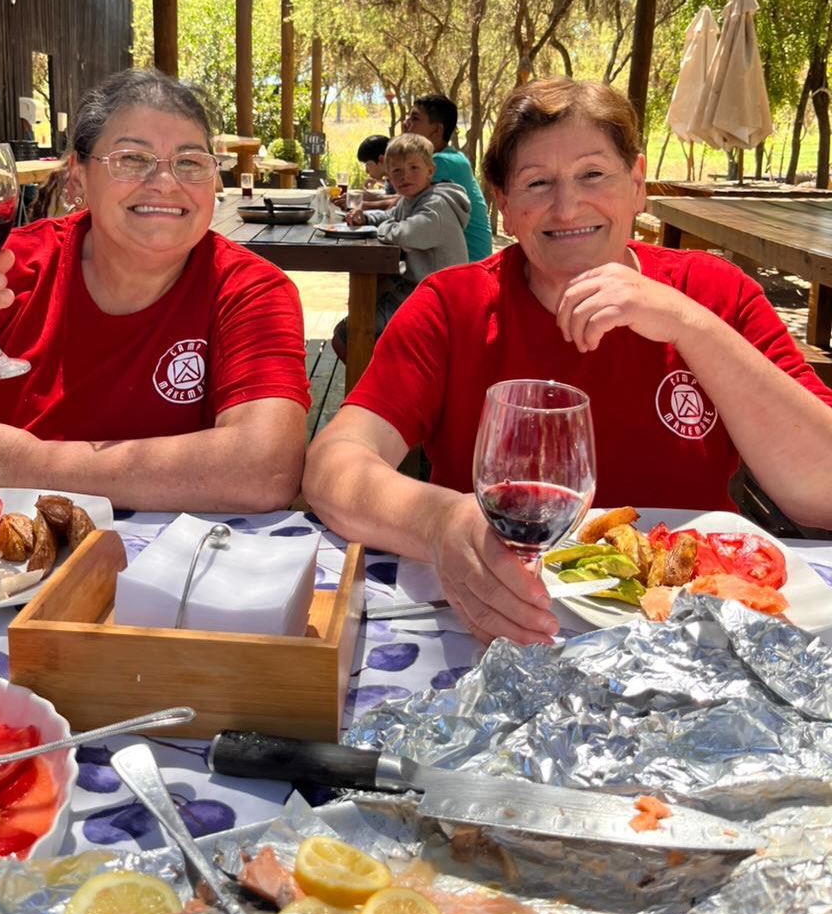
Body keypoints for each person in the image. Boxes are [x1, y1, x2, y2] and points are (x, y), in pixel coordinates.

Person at [304, 78, 832, 645]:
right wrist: (436, 521)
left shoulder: (713, 294)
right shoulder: (453, 305)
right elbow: (333, 466)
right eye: (537, 183)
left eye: (593, 175)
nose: (567, 206)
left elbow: (820, 491)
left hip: (700, 640)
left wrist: (689, 325)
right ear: (502, 203)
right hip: (505, 627)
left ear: (636, 184)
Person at [0, 69, 310, 511]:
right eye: (132, 159)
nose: (164, 182)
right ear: (77, 176)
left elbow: (265, 469)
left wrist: (29, 465)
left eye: (190, 162)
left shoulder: (250, 289)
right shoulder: (2, 272)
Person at [332, 133, 470, 361]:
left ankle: (383, 384)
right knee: (358, 314)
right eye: (396, 171)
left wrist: (383, 227)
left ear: (430, 171)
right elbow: (389, 216)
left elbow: (408, 232)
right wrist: (365, 218)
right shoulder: (410, 200)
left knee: (351, 331)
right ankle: (386, 381)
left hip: (440, 301)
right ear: (389, 175)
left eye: (413, 167)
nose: (405, 176)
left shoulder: (436, 204)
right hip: (415, 290)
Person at [403, 95, 493, 260]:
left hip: (468, 268)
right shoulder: (447, 157)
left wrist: (363, 202)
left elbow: (401, 201)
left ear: (437, 130)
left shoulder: (441, 162)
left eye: (414, 119)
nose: (406, 124)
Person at [353, 134, 397, 209]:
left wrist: (371, 198)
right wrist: (380, 182)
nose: (366, 171)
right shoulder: (390, 178)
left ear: (381, 160)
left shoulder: (399, 177)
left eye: (367, 165)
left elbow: (401, 199)